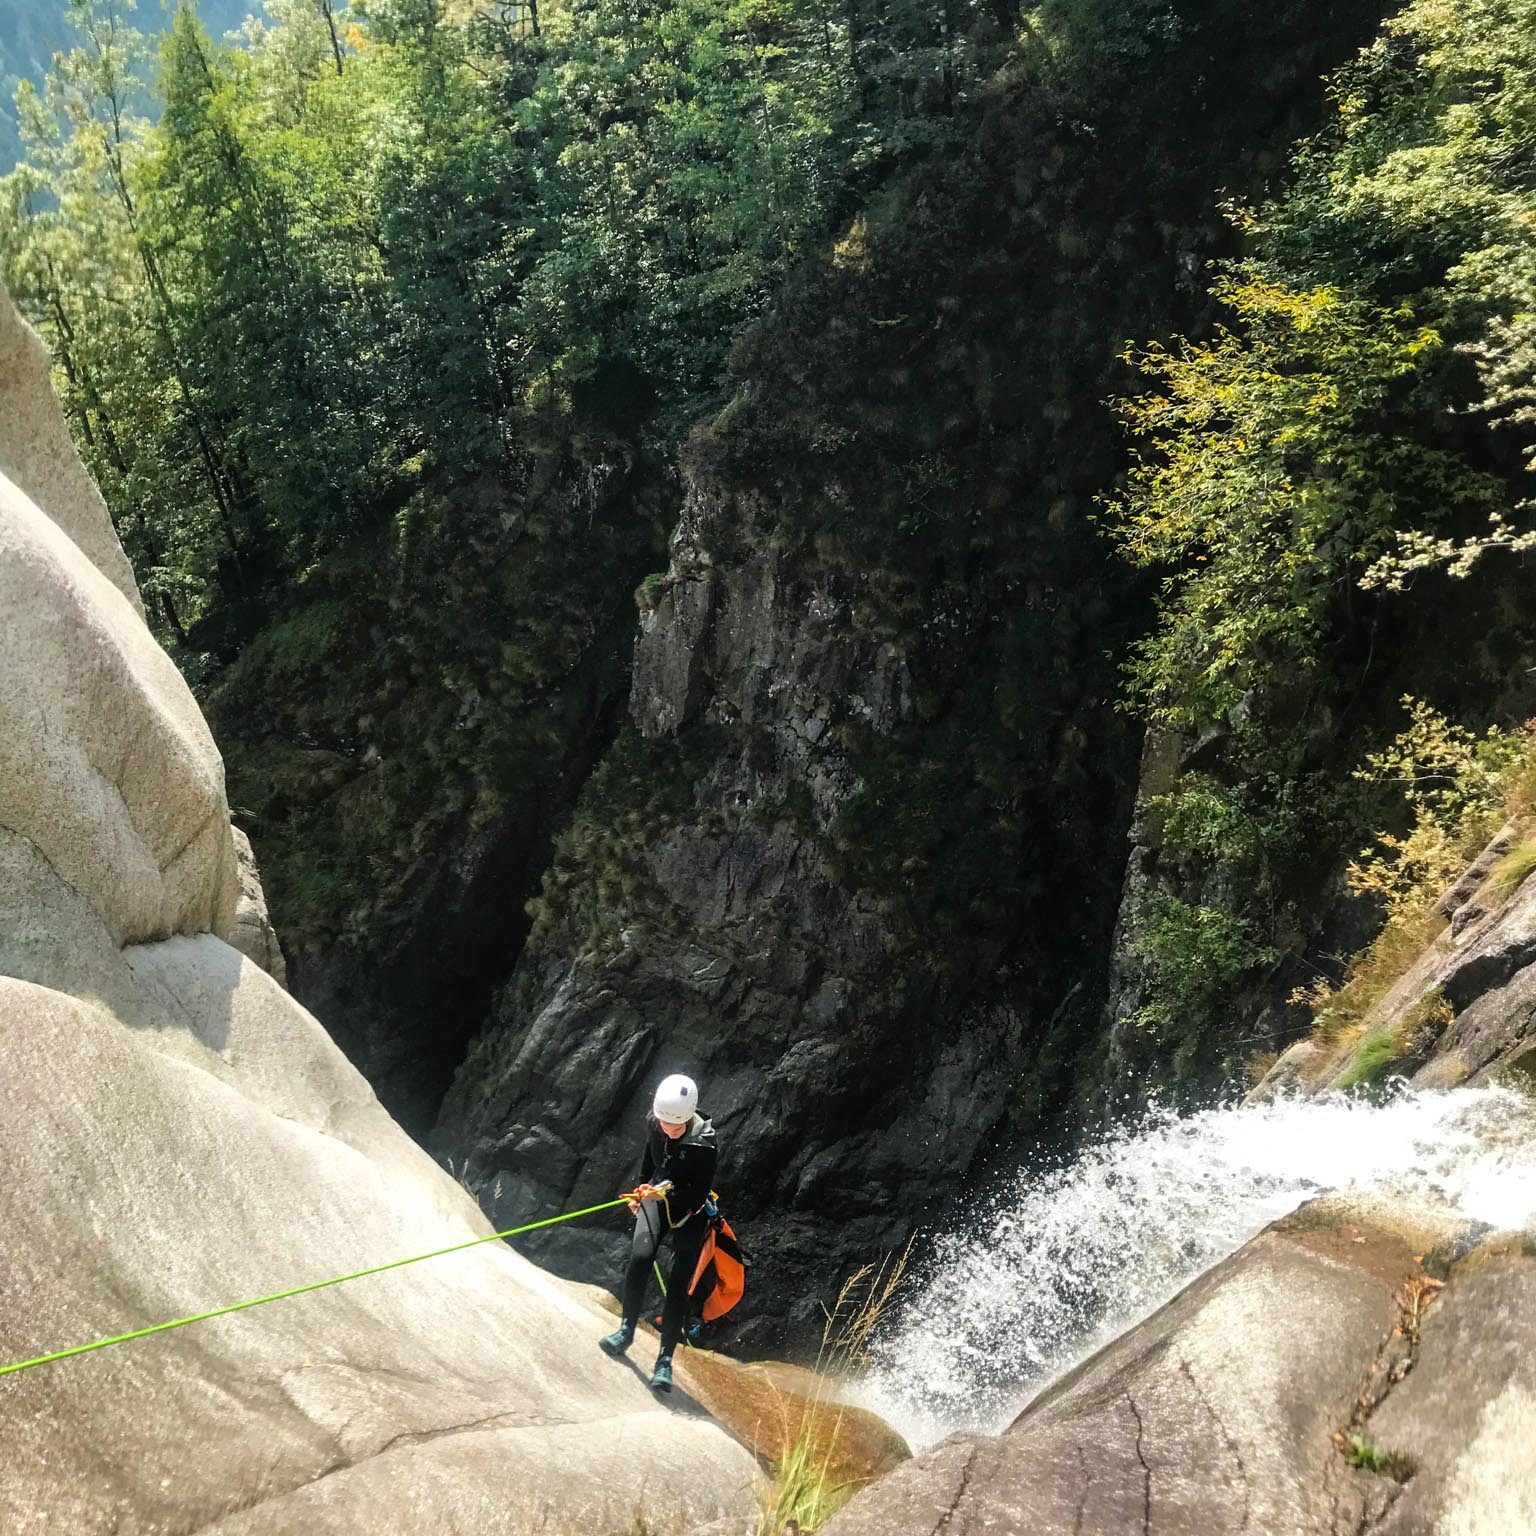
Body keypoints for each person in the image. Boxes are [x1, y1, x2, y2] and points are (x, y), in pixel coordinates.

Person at [599, 1073, 717, 1393]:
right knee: (639, 1259)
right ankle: (626, 1330)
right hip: (656, 1195)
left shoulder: (705, 1143)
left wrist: (661, 1195)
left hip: (689, 1212)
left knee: (679, 1281)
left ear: (689, 1117)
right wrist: (642, 1191)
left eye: (676, 1128)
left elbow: (696, 1195)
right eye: (665, 1124)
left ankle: (664, 1359)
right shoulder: (657, 1121)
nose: (669, 1130)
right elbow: (650, 1160)